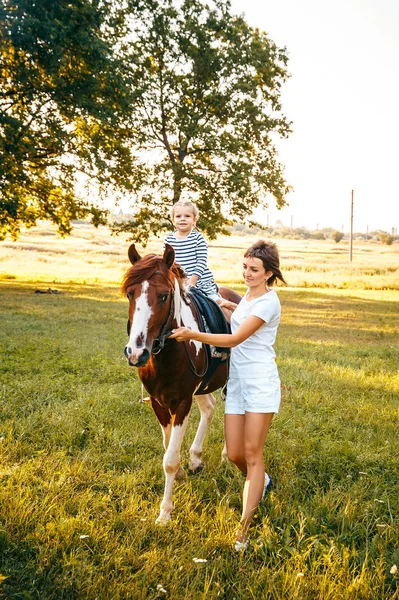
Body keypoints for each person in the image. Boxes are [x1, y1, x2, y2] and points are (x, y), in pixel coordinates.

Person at [170, 239, 286, 551]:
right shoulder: (249, 297)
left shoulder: (269, 302)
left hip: (260, 384)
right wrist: (233, 307)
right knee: (234, 453)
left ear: (269, 273)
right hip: (235, 385)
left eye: (254, 270)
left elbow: (234, 338)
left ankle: (244, 528)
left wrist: (192, 334)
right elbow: (244, 318)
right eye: (245, 267)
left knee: (252, 454)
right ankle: (261, 481)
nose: (247, 274)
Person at [165, 200, 219, 300]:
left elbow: (201, 262)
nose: (182, 219)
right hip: (177, 283)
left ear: (194, 219)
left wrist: (193, 280)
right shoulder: (169, 240)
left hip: (199, 283)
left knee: (214, 302)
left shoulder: (198, 238)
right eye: (178, 216)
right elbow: (166, 262)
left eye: (187, 216)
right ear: (173, 220)